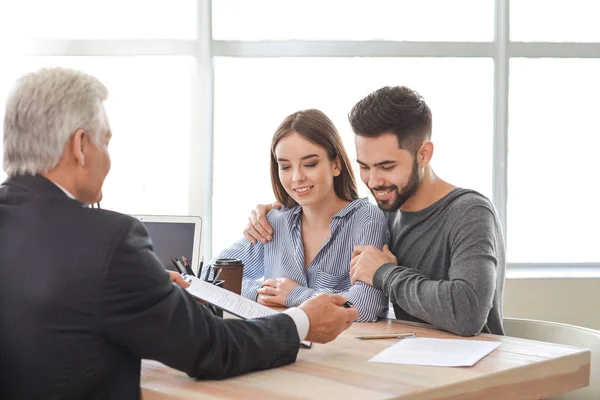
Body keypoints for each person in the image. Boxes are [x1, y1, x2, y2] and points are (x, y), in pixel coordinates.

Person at [0, 67, 358, 400]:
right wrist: (303, 321)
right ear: (80, 146)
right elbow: (210, 348)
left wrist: (149, 292)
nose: (107, 159)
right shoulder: (109, 241)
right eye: (105, 143)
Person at [243, 86, 506, 337]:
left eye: (387, 166)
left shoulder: (470, 212)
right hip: (409, 361)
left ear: (424, 154)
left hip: (475, 370)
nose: (373, 181)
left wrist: (385, 273)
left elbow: (467, 313)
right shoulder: (387, 212)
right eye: (365, 167)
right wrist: (272, 211)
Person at [212, 109, 389, 322]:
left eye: (310, 164)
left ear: (336, 164)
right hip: (284, 346)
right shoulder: (273, 222)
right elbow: (212, 275)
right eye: (285, 166)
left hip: (346, 351)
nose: (297, 177)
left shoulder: (367, 219)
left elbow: (365, 306)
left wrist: (293, 295)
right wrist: (262, 292)